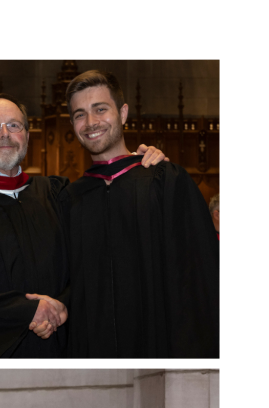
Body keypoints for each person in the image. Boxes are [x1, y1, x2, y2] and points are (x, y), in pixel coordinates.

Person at [0, 93, 166, 358]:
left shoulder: (56, 193)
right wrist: (29, 311)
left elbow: (98, 248)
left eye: (15, 125)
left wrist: (137, 166)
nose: (5, 134)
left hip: (65, 346)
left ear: (28, 137)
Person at [62, 70, 219, 358]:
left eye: (100, 109)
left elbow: (199, 279)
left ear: (123, 113)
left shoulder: (167, 181)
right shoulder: (69, 200)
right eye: (79, 114)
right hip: (92, 351)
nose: (91, 122)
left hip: (161, 344)